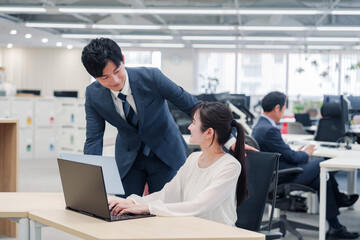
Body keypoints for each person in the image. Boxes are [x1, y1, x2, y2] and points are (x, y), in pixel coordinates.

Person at [81, 38, 256, 198]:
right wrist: (90, 176)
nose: (115, 80)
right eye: (104, 78)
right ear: (95, 78)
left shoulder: (151, 77)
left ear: (123, 60)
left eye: (117, 71)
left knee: (166, 210)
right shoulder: (93, 95)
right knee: (121, 209)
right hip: (129, 159)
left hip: (166, 153)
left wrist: (228, 140)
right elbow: (94, 138)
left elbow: (192, 105)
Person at [108, 102, 247, 226]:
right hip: (190, 228)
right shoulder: (194, 158)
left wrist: (147, 208)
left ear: (209, 132)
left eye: (193, 122)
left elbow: (199, 206)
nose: (189, 127)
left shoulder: (230, 166)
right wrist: (133, 202)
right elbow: (167, 194)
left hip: (217, 233)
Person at [252, 91, 359, 239]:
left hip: (276, 172)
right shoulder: (269, 129)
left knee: (322, 180)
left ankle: (336, 227)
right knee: (322, 163)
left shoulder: (260, 126)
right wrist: (306, 153)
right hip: (281, 176)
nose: (284, 112)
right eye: (284, 108)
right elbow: (290, 156)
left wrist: (296, 153)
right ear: (277, 108)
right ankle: (339, 199)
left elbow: (283, 153)